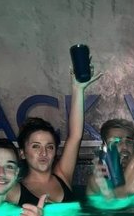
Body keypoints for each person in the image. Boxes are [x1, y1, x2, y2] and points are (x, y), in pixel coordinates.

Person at [6, 73, 101, 206]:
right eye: (36, 146)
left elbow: (75, 136)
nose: (43, 153)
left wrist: (78, 89)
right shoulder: (13, 192)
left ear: (55, 151)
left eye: (49, 147)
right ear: (22, 153)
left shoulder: (63, 176)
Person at [86, 107, 134, 198]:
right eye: (116, 141)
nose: (124, 147)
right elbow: (127, 189)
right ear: (105, 148)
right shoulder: (98, 180)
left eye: (128, 141)